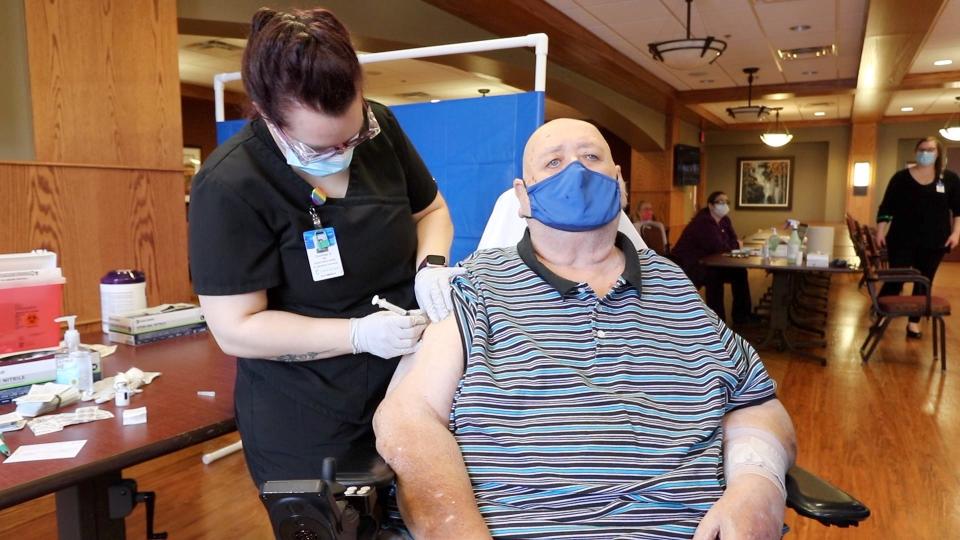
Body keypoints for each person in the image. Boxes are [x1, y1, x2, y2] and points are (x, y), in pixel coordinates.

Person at [374, 119, 796, 539]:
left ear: (620, 184)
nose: (575, 171)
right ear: (523, 197)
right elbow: (408, 417)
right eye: (553, 162)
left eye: (591, 157)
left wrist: (759, 483)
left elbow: (756, 402)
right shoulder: (478, 286)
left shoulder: (673, 286)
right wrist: (454, 527)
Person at [187, 7, 455, 489]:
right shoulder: (230, 184)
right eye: (321, 149)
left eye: (353, 137)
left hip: (409, 385)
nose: (344, 155)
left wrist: (431, 268)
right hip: (308, 416)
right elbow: (236, 330)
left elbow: (430, 211)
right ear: (268, 115)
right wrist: (356, 335)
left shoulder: (383, 129)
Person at [875, 136, 960, 338]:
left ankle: (914, 323)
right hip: (901, 239)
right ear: (916, 152)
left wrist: (956, 233)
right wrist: (880, 230)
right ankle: (879, 315)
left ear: (938, 153)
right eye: (922, 149)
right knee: (896, 279)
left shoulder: (949, 179)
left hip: (935, 241)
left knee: (924, 281)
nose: (925, 153)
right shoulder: (901, 178)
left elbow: (958, 210)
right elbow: (887, 207)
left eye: (930, 150)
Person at [671, 191, 755, 325]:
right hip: (691, 265)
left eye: (727, 202)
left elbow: (732, 241)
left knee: (740, 272)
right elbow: (719, 247)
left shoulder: (725, 220)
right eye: (720, 202)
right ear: (710, 205)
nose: (725, 205)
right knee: (715, 276)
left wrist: (733, 244)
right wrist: (735, 244)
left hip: (711, 262)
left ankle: (742, 316)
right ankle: (717, 321)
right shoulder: (703, 222)